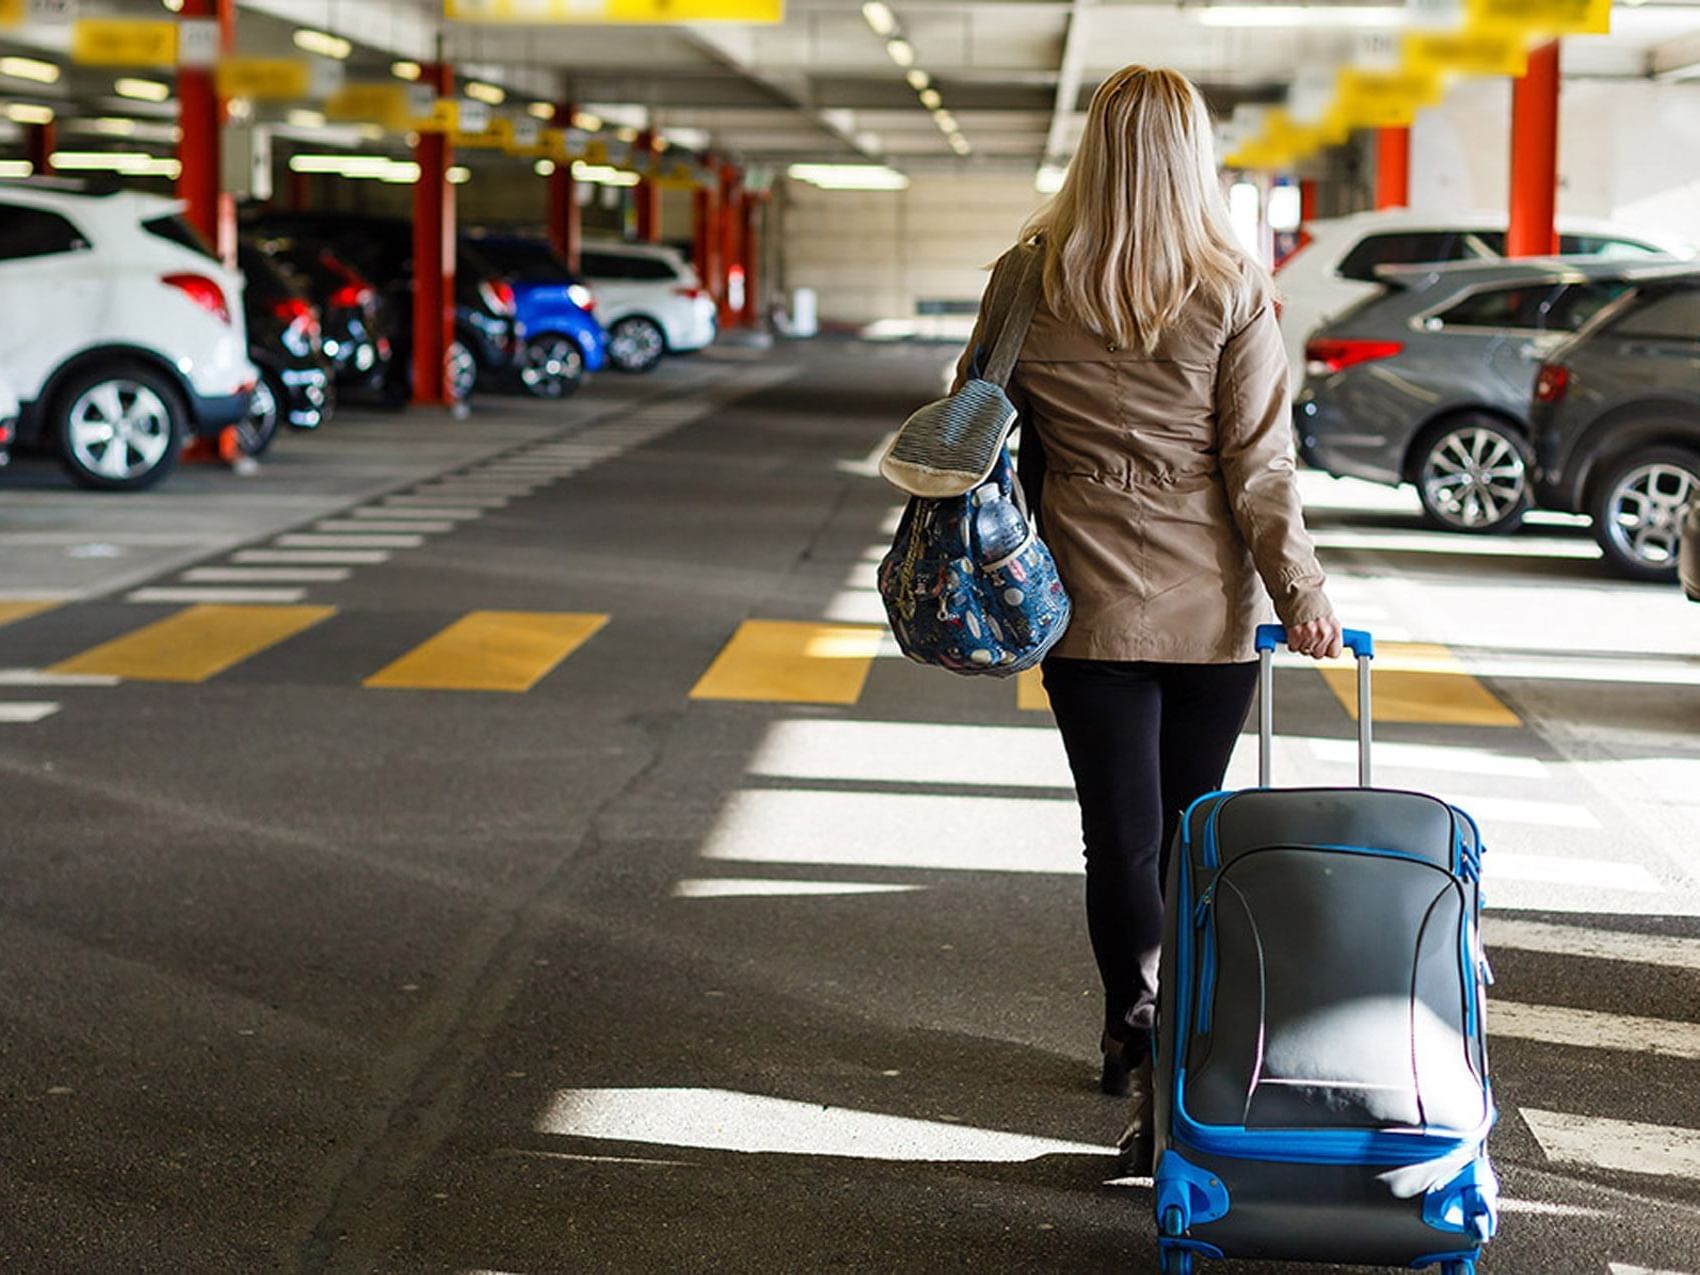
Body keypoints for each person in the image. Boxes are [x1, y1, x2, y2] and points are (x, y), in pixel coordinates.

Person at [949, 66, 1342, 1172]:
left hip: (1074, 599)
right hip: (1208, 607)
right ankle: (1187, 1040)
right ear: (1190, 154)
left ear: (1094, 148)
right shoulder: (1229, 288)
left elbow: (974, 424)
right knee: (1189, 835)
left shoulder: (1028, 280)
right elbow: (1259, 468)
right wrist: (1302, 595)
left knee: (1113, 835)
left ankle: (1133, 1017)